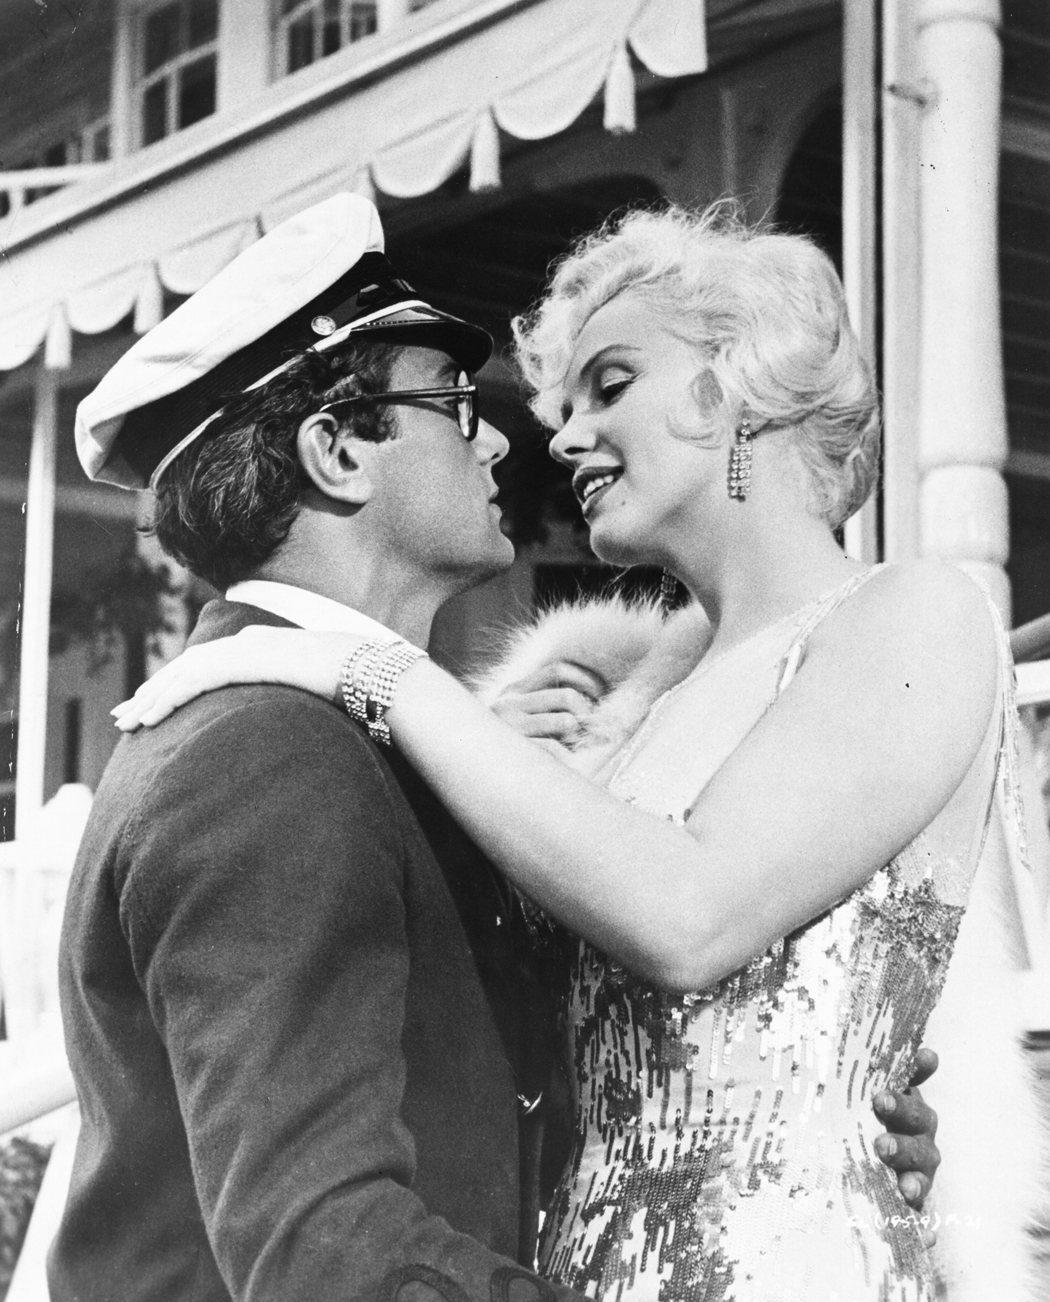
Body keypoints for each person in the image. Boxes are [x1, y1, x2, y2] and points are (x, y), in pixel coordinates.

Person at [116, 205, 1043, 1301]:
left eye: (610, 386)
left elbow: (689, 916)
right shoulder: (634, 704)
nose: (556, 438)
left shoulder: (914, 613)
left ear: (737, 386)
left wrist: (373, 672)